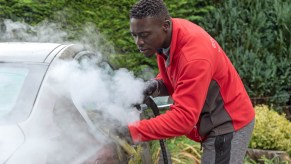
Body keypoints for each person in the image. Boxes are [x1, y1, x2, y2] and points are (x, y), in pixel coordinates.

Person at [124, 0, 255, 163]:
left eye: (144, 35)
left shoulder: (194, 56)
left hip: (227, 124)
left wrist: (131, 131)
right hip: (214, 118)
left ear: (164, 26)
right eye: (134, 35)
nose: (138, 42)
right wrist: (157, 85)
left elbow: (183, 119)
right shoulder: (172, 33)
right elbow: (181, 74)